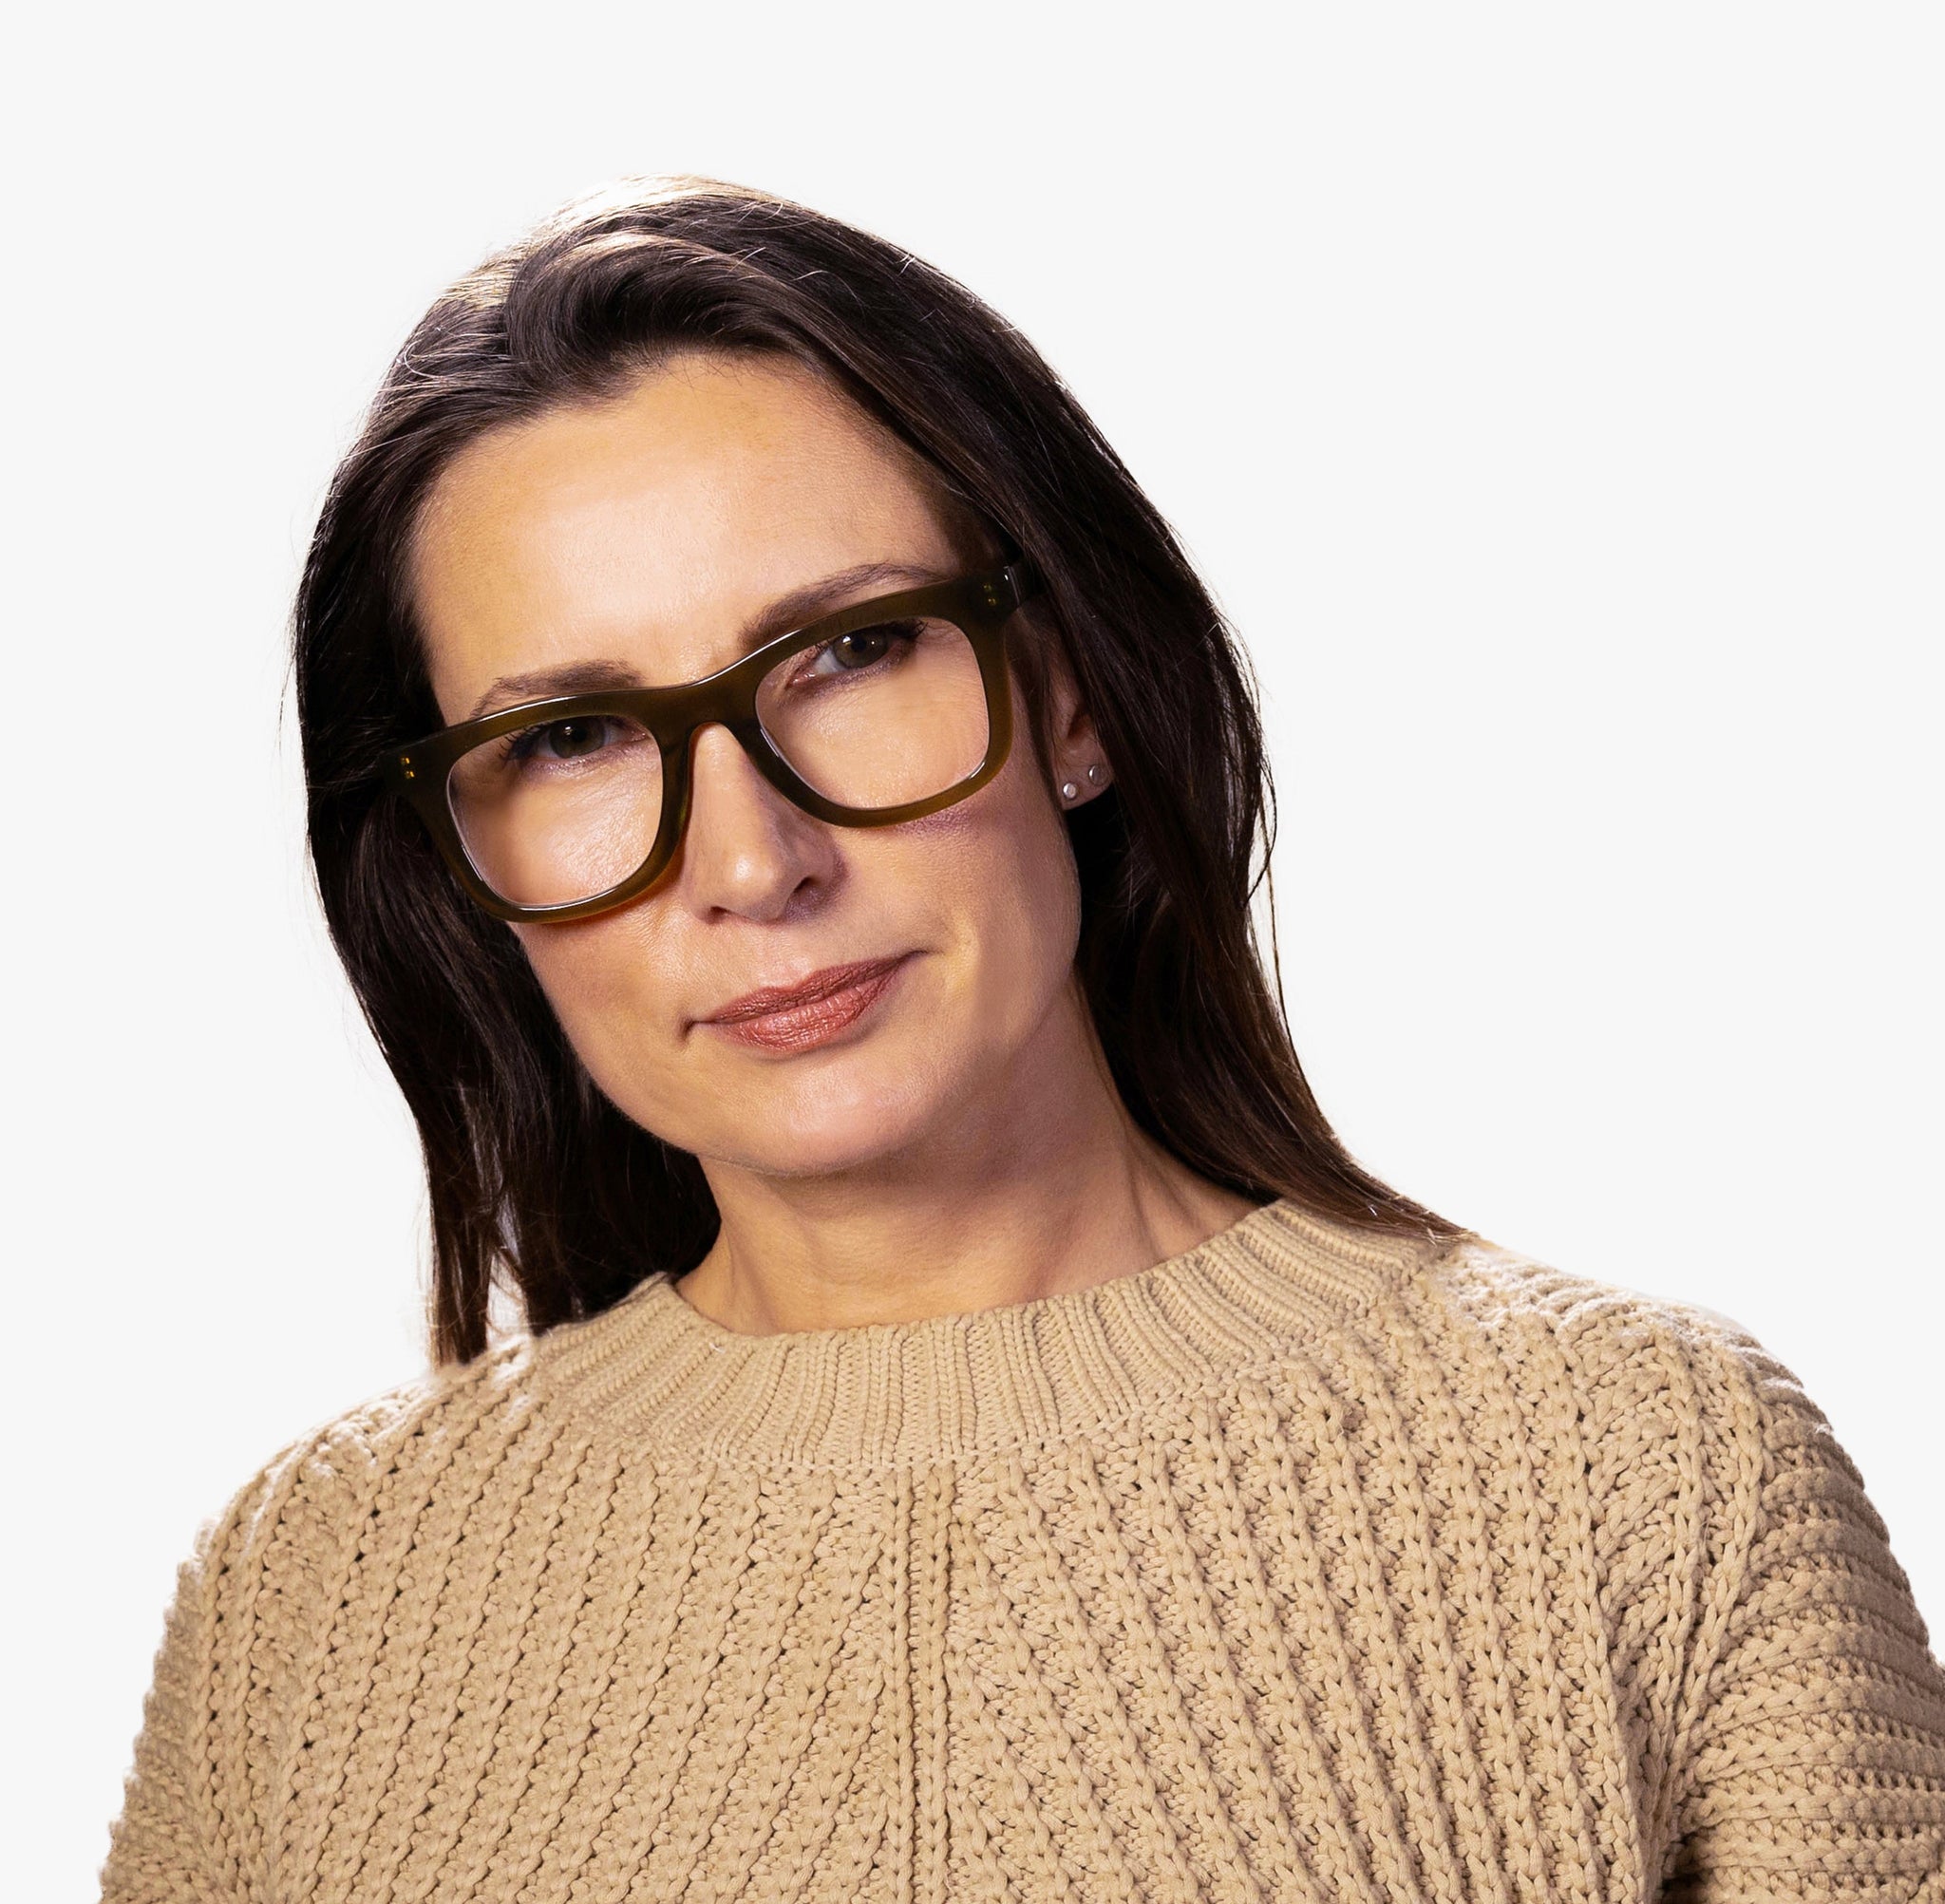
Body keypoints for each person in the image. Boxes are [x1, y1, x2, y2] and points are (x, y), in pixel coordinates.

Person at [101, 178, 1945, 1904]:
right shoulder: (308, 1605)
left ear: (1067, 693)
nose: (751, 861)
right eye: (570, 740)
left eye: (849, 652)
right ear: (456, 861)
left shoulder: (1651, 1483)